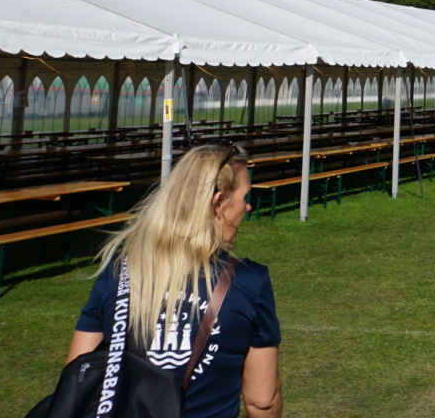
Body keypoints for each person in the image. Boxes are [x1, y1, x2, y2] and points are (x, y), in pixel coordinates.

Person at [67, 143, 282, 418]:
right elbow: (262, 401)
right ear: (218, 203)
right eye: (244, 196)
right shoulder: (249, 282)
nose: (248, 206)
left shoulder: (117, 272)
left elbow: (78, 376)